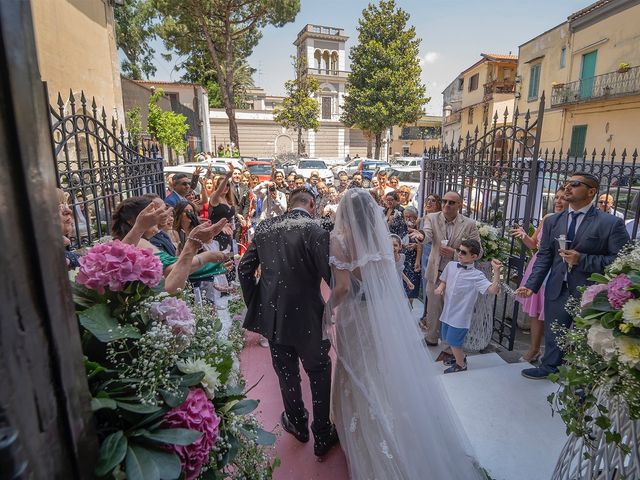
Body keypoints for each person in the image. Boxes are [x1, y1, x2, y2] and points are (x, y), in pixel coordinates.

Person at [326, 188, 484, 479]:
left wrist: (327, 309)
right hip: (379, 311)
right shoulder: (380, 236)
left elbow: (343, 288)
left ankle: (360, 428)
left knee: (356, 367)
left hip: (355, 314)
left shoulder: (340, 238)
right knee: (378, 368)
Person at [238, 188, 338, 459]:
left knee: (286, 371)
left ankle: (296, 422)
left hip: (274, 317)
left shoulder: (267, 227)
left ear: (289, 203)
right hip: (309, 316)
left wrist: (256, 306)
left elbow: (244, 269)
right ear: (312, 204)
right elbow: (330, 276)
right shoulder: (316, 229)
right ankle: (322, 433)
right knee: (318, 372)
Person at [516, 172, 629, 379]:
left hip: (590, 291)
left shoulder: (610, 223)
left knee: (588, 337)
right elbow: (544, 257)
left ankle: (582, 378)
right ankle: (550, 367)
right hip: (557, 287)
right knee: (554, 331)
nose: (567, 188)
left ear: (591, 192)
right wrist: (532, 285)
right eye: (566, 183)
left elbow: (621, 261)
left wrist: (582, 260)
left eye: (575, 184)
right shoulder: (553, 221)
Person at [511, 187, 568, 362]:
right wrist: (523, 235)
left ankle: (554, 354)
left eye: (562, 198)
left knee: (554, 314)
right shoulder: (547, 218)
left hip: (558, 269)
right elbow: (534, 244)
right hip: (538, 266)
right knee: (535, 313)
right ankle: (534, 349)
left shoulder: (572, 222)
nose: (558, 201)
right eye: (556, 197)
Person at [421, 191, 481, 347]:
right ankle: (431, 338)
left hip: (458, 276)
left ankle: (449, 346)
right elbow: (427, 234)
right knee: (433, 309)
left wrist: (455, 253)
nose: (447, 204)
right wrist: (420, 236)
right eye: (445, 201)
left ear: (459, 205)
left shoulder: (469, 224)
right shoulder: (432, 218)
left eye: (451, 202)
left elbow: (479, 252)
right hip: (436, 273)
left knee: (452, 311)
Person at [435, 239, 503, 373]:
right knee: (446, 338)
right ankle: (459, 357)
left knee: (455, 341)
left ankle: (461, 365)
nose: (459, 254)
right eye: (459, 250)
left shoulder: (477, 276)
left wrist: (496, 272)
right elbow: (444, 279)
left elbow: (493, 290)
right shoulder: (451, 266)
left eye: (464, 252)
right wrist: (440, 288)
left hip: (460, 316)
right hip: (447, 311)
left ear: (474, 257)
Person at [402, 206, 421, 304]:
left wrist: (416, 246)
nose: (408, 219)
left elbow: (422, 245)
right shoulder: (402, 228)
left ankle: (410, 307)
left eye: (410, 217)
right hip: (403, 260)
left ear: (415, 217)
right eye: (406, 216)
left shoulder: (419, 229)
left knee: (412, 286)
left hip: (413, 260)